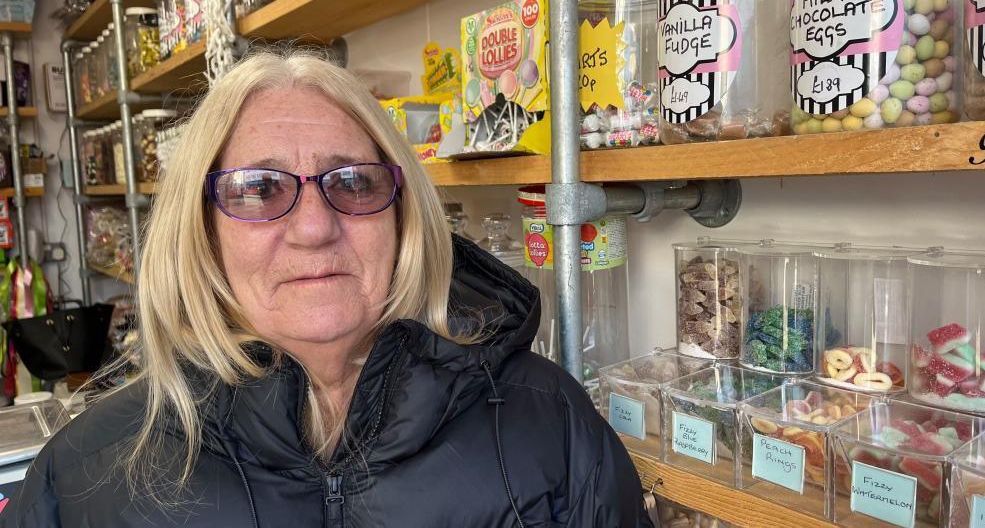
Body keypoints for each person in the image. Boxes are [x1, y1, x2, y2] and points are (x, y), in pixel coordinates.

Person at [2, 50, 651, 527]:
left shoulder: (550, 425)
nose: (314, 227)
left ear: (403, 217)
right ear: (201, 232)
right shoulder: (85, 475)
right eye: (258, 189)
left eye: (353, 182)